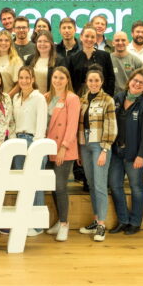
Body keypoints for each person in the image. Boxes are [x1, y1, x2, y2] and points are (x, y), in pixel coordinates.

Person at [108, 69, 143, 235]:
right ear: (129, 81)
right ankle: (123, 220)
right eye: (135, 80)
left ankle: (135, 222)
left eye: (141, 83)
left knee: (136, 187)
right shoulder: (117, 99)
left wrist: (141, 156)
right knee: (115, 185)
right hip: (116, 152)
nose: (137, 84)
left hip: (135, 155)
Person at [77, 69, 117, 242]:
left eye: (96, 80)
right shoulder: (82, 100)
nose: (93, 83)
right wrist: (79, 149)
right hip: (85, 145)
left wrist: (105, 149)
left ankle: (101, 224)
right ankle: (95, 220)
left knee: (100, 185)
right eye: (90, 80)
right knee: (92, 184)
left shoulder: (108, 100)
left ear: (102, 82)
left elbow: (111, 126)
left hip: (99, 145)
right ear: (87, 82)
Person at [44, 67, 80, 242]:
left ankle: (65, 224)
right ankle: (59, 221)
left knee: (60, 187)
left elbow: (72, 126)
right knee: (52, 186)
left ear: (67, 80)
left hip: (63, 149)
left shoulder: (72, 99)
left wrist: (63, 148)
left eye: (61, 78)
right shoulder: (46, 97)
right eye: (55, 77)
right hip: (48, 148)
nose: (57, 81)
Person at [12, 65, 49, 237]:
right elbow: (13, 122)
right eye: (21, 78)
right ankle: (25, 221)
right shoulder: (16, 98)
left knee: (35, 184)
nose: (24, 81)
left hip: (33, 141)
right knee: (23, 184)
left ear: (33, 79)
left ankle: (37, 225)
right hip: (18, 142)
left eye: (27, 77)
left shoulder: (39, 98)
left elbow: (41, 125)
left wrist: (36, 148)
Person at [69, 25, 115, 96]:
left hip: (102, 96)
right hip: (79, 96)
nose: (89, 39)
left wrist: (107, 96)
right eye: (87, 36)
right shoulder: (73, 58)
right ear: (81, 37)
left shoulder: (105, 56)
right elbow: (71, 81)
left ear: (96, 39)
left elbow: (111, 78)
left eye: (92, 37)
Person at [0, 30, 23, 96]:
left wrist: (7, 97)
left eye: (6, 40)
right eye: (0, 40)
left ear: (10, 43)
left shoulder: (16, 60)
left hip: (9, 98)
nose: (3, 43)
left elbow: (19, 84)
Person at [111, 31, 143, 95]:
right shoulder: (107, 59)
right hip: (111, 97)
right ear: (113, 43)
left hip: (130, 97)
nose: (120, 43)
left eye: (123, 40)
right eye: (117, 40)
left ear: (128, 42)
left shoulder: (136, 61)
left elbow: (141, 82)